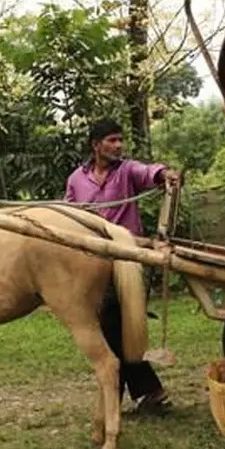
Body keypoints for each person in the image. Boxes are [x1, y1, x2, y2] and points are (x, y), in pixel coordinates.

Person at [64, 118, 180, 416]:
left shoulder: (127, 171)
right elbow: (68, 214)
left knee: (114, 323)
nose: (118, 146)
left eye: (120, 140)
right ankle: (148, 392)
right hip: (93, 264)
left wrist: (165, 174)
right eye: (111, 140)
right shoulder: (77, 179)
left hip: (127, 259)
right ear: (96, 145)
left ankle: (129, 393)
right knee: (114, 326)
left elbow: (149, 172)